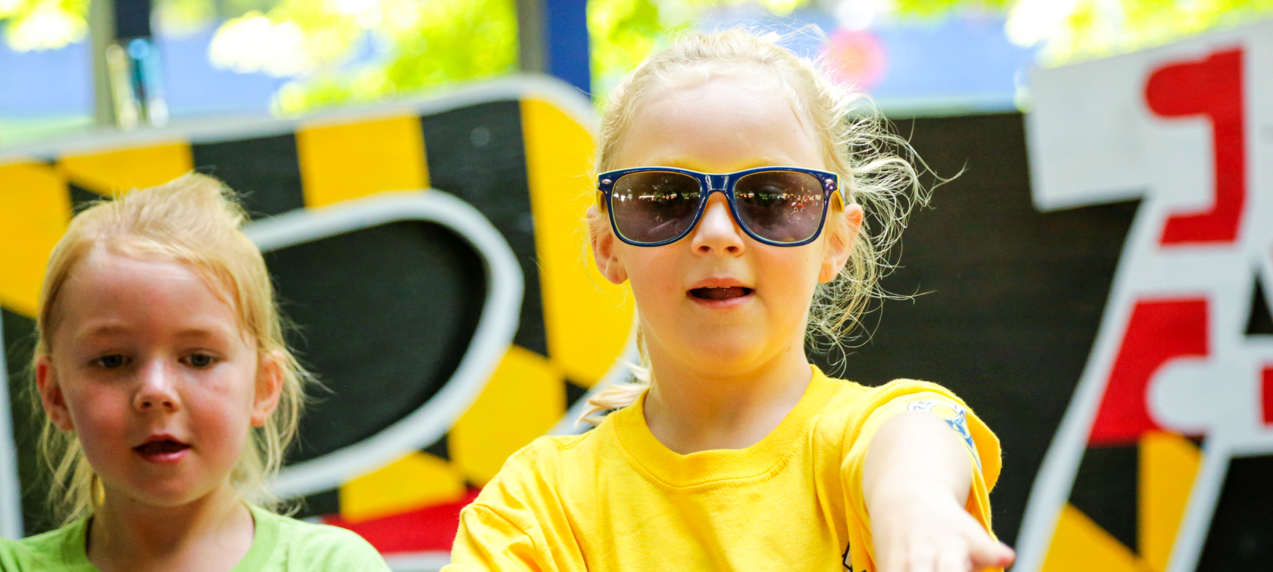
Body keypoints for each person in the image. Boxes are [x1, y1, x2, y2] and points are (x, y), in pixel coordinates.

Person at [446, 29, 1016, 572]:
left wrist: (913, 505)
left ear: (836, 241)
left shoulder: (873, 435)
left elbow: (919, 436)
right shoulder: (537, 506)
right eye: (665, 196)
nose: (717, 232)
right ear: (607, 243)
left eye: (770, 197)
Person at [0, 174, 390, 571]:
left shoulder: (329, 565)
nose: (155, 391)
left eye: (199, 359)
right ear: (55, 394)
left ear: (263, 386)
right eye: (113, 360)